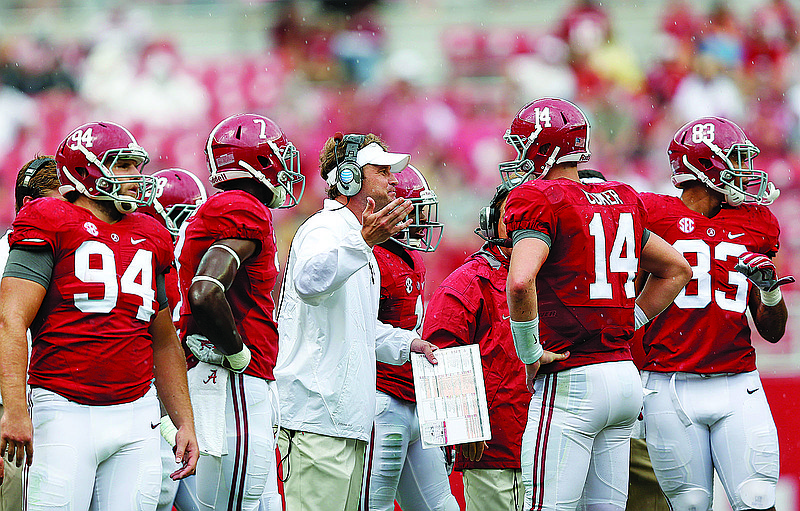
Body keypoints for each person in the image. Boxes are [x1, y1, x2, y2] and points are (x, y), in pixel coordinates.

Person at [499, 97, 692, 511]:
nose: (517, 157)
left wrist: (529, 352)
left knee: (547, 506)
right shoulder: (621, 196)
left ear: (542, 148)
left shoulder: (540, 197)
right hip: (624, 378)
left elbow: (519, 281)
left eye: (522, 146)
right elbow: (677, 269)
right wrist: (631, 321)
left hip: (572, 378)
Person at [0, 121, 198, 511]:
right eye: (123, 166)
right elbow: (11, 321)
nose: (135, 177)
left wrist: (184, 421)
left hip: (135, 414)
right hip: (62, 408)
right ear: (86, 171)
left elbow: (162, 339)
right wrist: (16, 411)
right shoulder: (49, 219)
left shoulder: (151, 234)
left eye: (136, 166)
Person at [274, 132, 439, 511]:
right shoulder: (325, 228)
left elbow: (361, 326)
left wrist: (407, 343)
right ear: (348, 178)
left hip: (346, 420)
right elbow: (308, 283)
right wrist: (362, 242)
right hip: (317, 419)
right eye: (381, 171)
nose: (393, 180)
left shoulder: (354, 237)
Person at [638, 117, 791, 511]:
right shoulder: (652, 214)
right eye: (737, 159)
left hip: (739, 382)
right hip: (667, 383)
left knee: (757, 500)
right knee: (689, 505)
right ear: (706, 167)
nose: (746, 171)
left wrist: (769, 290)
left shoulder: (757, 223)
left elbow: (772, 332)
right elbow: (628, 300)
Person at [173, 113, 305, 511]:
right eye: (278, 154)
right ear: (258, 160)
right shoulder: (242, 208)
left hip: (237, 379)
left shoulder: (232, 206)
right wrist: (237, 352)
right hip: (231, 379)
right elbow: (206, 291)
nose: (285, 165)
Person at [422, 179, 528, 511]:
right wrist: (464, 425)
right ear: (492, 220)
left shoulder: (558, 278)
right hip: (497, 450)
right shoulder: (470, 281)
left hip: (555, 441)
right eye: (513, 214)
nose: (519, 224)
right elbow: (438, 352)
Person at [577, 169, 670, 511]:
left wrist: (632, 320)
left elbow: (676, 270)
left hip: (614, 392)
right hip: (621, 389)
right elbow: (677, 270)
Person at [363, 164, 455, 511]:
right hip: (382, 399)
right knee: (375, 504)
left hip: (414, 399)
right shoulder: (370, 257)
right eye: (411, 212)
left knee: (440, 505)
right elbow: (361, 330)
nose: (419, 221)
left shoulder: (409, 257)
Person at [139, 167, 208, 511]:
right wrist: (169, 419)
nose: (194, 226)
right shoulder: (149, 266)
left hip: (184, 405)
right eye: (186, 216)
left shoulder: (190, 265)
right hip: (151, 407)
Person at [0, 156, 62, 511]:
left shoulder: (75, 254)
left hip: (62, 410)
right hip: (13, 417)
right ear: (31, 204)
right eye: (64, 199)